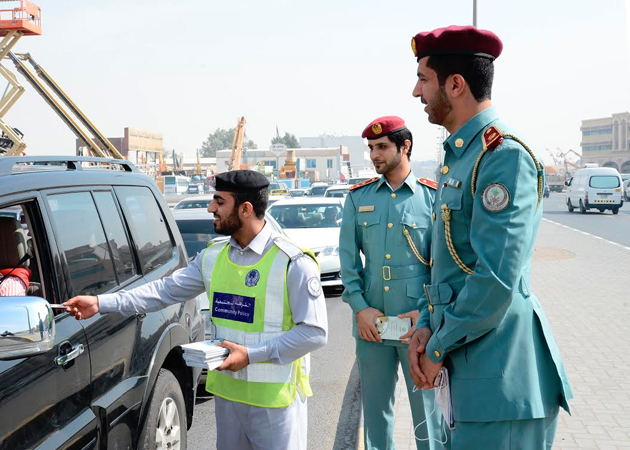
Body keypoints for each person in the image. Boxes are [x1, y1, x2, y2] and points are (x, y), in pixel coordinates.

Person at [63, 170, 328, 450]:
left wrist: (250, 355)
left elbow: (314, 333)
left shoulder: (293, 263)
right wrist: (101, 303)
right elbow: (162, 291)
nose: (210, 208)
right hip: (228, 397)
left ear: (246, 209)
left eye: (219, 201)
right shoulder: (213, 257)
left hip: (276, 404)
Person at [407, 25, 573, 449]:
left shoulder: (503, 157)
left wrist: (437, 345)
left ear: (455, 84)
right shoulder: (459, 158)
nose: (416, 91)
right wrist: (426, 327)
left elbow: (495, 278)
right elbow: (443, 266)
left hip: (501, 386)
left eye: (424, 79)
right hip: (468, 377)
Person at [339, 116, 446, 450]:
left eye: (382, 147)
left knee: (427, 411)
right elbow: (348, 262)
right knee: (376, 413)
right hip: (373, 325)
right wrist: (360, 309)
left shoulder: (432, 197)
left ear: (406, 147)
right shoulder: (359, 198)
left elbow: (444, 266)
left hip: (418, 325)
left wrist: (427, 314)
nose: (374, 155)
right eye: (371, 148)